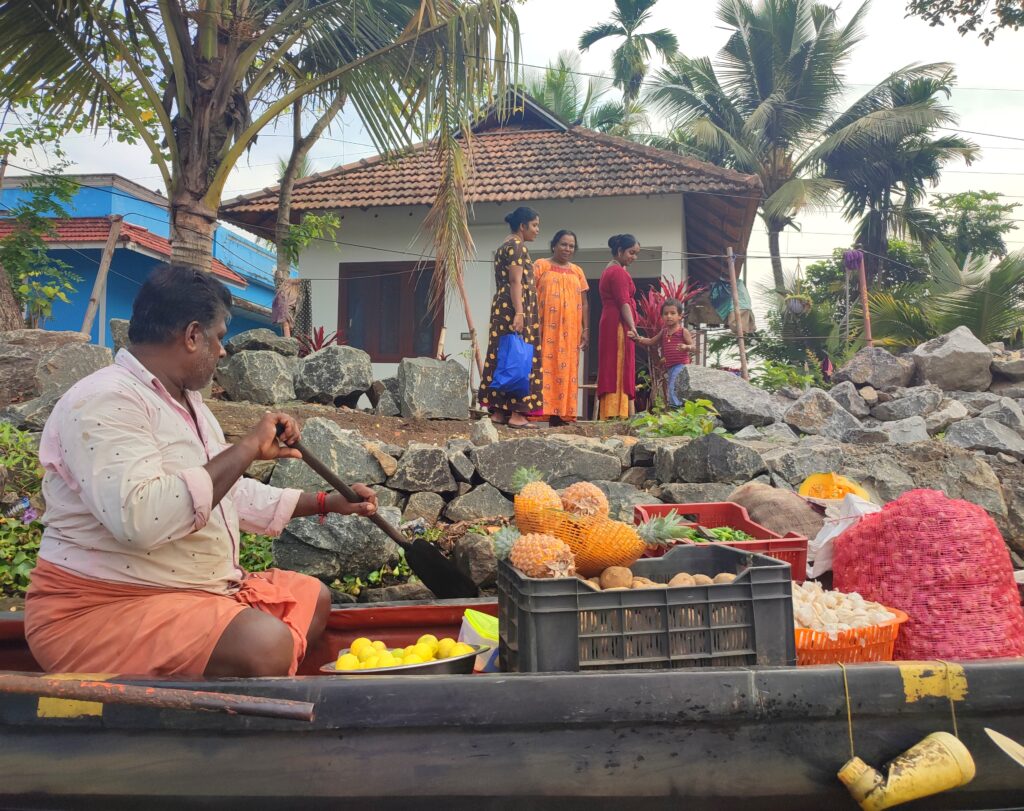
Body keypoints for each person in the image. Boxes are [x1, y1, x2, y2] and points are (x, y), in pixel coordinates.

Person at [24, 265, 379, 678]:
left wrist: (329, 502)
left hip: (190, 596)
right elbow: (140, 518)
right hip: (99, 610)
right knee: (265, 644)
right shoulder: (104, 401)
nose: (223, 351)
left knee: (312, 596)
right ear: (192, 336)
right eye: (220, 337)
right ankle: (238, 712)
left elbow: (222, 494)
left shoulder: (191, 405)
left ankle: (239, 694)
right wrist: (246, 449)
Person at [478, 206, 543, 429]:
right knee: (520, 356)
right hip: (514, 306)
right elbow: (516, 282)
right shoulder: (517, 247)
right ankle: (517, 413)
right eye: (534, 225)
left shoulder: (503, 246)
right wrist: (520, 312)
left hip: (502, 306)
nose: (537, 230)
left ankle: (498, 411)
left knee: (502, 355)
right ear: (522, 226)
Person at [533, 229, 589, 426]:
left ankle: (562, 414)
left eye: (571, 246)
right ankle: (542, 410)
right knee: (544, 368)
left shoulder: (577, 271)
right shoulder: (540, 266)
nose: (567, 249)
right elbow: (530, 296)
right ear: (554, 245)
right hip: (545, 329)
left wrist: (586, 329)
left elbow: (585, 302)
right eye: (564, 244)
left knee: (567, 371)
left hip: (571, 332)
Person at [596, 234, 641, 420]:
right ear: (620, 251)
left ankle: (612, 411)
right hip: (618, 324)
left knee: (612, 363)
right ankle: (616, 412)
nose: (634, 257)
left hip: (610, 320)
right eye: (631, 252)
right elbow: (623, 302)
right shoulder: (618, 272)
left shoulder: (610, 269)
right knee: (618, 363)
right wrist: (633, 326)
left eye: (636, 253)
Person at [630, 298, 695, 408]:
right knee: (673, 386)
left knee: (673, 386)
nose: (669, 316)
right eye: (666, 314)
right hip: (669, 366)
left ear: (680, 316)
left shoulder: (683, 331)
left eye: (673, 313)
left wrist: (686, 347)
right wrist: (637, 338)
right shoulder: (664, 332)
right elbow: (651, 341)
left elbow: (693, 347)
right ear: (662, 317)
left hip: (681, 365)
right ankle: (678, 408)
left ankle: (675, 408)